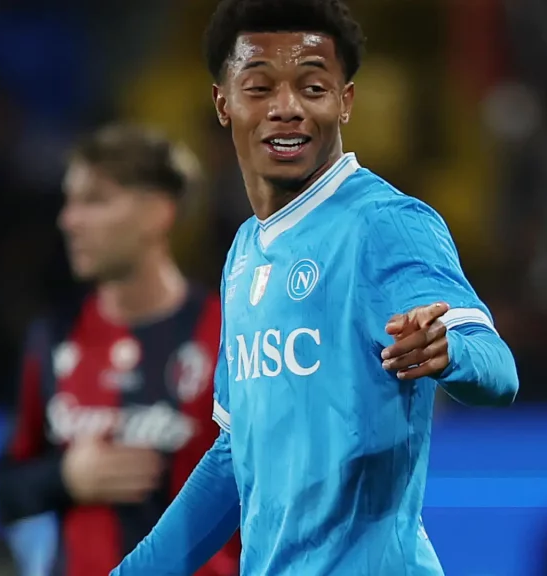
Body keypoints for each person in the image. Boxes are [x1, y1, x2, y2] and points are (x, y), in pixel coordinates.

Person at [114, 0, 519, 574]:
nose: (287, 108)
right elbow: (236, 455)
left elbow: (499, 370)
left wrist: (450, 351)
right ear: (223, 102)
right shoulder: (245, 251)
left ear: (345, 101)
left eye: (312, 87)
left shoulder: (384, 223)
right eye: (260, 88)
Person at [0, 125, 240, 576]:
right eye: (69, 201)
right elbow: (7, 487)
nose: (70, 220)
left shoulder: (227, 334)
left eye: (95, 200)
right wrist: (65, 478)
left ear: (157, 212)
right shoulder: (54, 337)